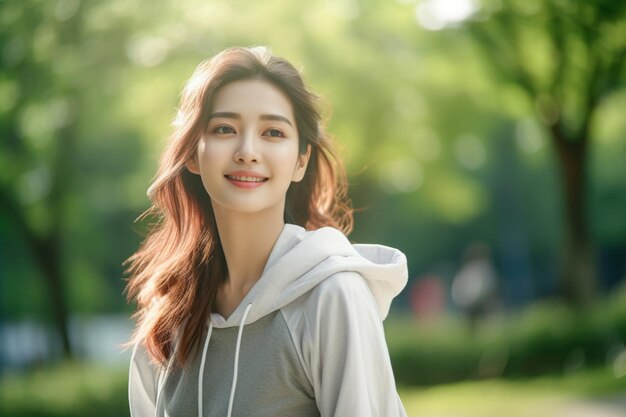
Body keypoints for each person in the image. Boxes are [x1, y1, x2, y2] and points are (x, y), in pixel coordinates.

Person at [124, 46, 408, 417]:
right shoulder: (170, 317)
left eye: (272, 132)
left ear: (300, 161)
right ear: (193, 153)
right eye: (225, 129)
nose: (247, 151)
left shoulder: (331, 296)